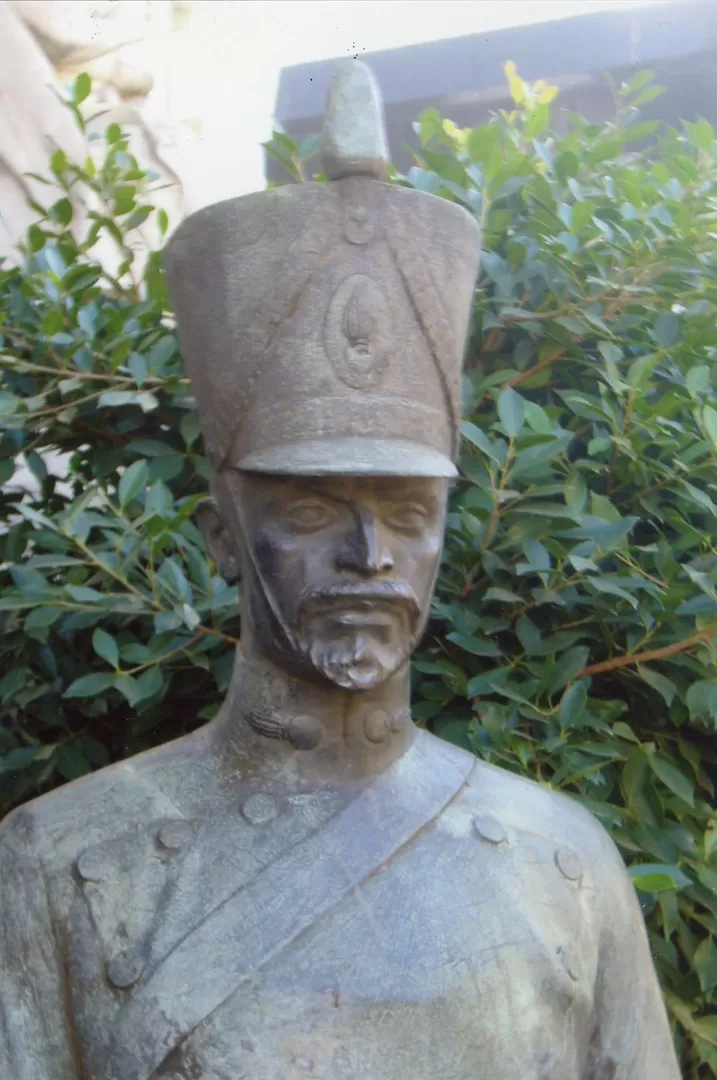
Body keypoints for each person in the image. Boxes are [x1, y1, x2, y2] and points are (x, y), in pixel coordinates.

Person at [0, 61, 680, 1080]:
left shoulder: (561, 861)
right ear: (223, 532)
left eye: (408, 514)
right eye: (314, 510)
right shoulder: (61, 864)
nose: (371, 560)